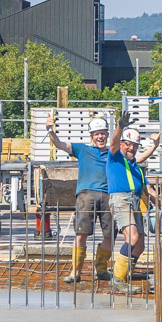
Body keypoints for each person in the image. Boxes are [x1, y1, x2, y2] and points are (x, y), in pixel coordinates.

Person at [54, 112, 114, 284]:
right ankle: (76, 272)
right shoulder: (82, 149)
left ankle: (101, 269)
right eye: (97, 134)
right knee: (81, 234)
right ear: (92, 136)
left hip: (108, 195)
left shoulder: (113, 152)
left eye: (103, 133)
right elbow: (59, 144)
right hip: (86, 195)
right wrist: (50, 130)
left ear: (107, 134)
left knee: (110, 235)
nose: (100, 136)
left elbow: (134, 157)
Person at [107, 124, 160, 286]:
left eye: (135, 146)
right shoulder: (115, 158)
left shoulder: (136, 168)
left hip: (135, 201)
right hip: (121, 199)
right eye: (128, 144)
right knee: (133, 237)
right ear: (122, 144)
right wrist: (119, 128)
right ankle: (117, 278)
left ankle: (125, 272)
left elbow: (149, 190)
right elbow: (113, 144)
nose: (131, 148)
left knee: (140, 244)